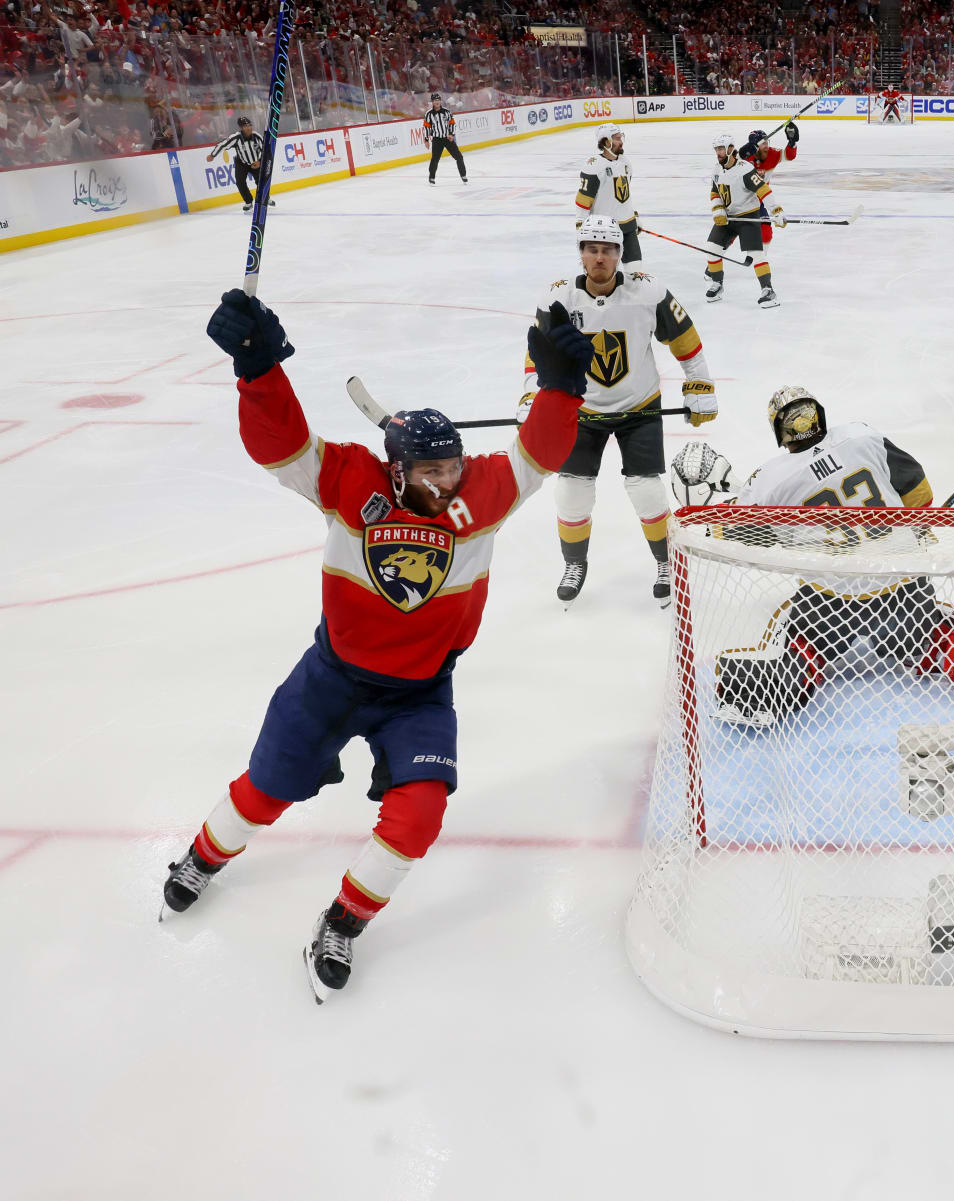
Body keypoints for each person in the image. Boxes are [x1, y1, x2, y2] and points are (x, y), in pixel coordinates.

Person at [162, 289, 586, 1000]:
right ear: (397, 468)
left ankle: (343, 921)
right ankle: (202, 857)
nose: (446, 481)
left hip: (420, 690)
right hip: (332, 677)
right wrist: (259, 371)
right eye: (431, 472)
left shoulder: (477, 491)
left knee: (420, 812)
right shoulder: (354, 478)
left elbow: (537, 457)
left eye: (452, 468)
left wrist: (562, 389)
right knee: (264, 790)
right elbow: (285, 450)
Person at [667, 387, 954, 727]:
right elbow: (921, 497)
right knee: (934, 635)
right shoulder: (863, 437)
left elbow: (739, 534)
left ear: (779, 432)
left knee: (801, 643)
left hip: (827, 597)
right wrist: (910, 525)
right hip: (901, 582)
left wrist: (717, 505)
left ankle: (773, 681)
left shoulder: (769, 479)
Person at [522, 215, 717, 607]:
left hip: (638, 406)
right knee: (572, 492)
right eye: (592, 249)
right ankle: (575, 564)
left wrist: (700, 384)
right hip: (581, 409)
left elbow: (685, 339)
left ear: (619, 255)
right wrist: (531, 396)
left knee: (646, 490)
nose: (600, 257)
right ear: (580, 254)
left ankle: (666, 562)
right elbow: (536, 356)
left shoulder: (648, 291)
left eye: (608, 250)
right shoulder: (558, 298)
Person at [704, 131, 786, 309]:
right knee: (712, 249)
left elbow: (763, 189)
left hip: (748, 217)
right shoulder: (716, 170)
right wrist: (718, 209)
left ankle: (768, 290)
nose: (718, 153)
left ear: (730, 149)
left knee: (757, 254)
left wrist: (776, 211)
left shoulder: (745, 170)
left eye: (721, 149)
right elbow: (715, 192)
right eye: (716, 149)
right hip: (728, 218)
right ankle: (718, 285)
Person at [574, 123, 641, 263]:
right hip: (604, 231)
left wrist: (635, 217)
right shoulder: (593, 165)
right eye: (617, 138)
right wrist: (581, 226)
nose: (621, 142)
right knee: (606, 277)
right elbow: (583, 201)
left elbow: (625, 195)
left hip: (628, 226)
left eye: (621, 137)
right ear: (606, 141)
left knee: (635, 274)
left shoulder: (625, 163)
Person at [205, 116, 270, 212]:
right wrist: (213, 155)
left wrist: (259, 162)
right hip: (242, 163)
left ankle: (265, 198)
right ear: (241, 128)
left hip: (256, 162)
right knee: (240, 182)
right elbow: (222, 145)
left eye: (249, 125)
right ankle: (248, 202)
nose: (248, 128)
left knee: (261, 180)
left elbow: (265, 150)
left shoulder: (257, 136)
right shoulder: (236, 138)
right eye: (245, 126)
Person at [422, 92, 466, 185]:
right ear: (432, 102)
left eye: (438, 100)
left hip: (447, 138)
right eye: (435, 100)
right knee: (435, 159)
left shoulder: (447, 112)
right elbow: (426, 127)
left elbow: (452, 124)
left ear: (440, 101)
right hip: (437, 139)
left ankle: (463, 175)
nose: (437, 102)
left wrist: (451, 134)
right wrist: (426, 139)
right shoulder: (428, 114)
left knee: (459, 157)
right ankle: (432, 177)